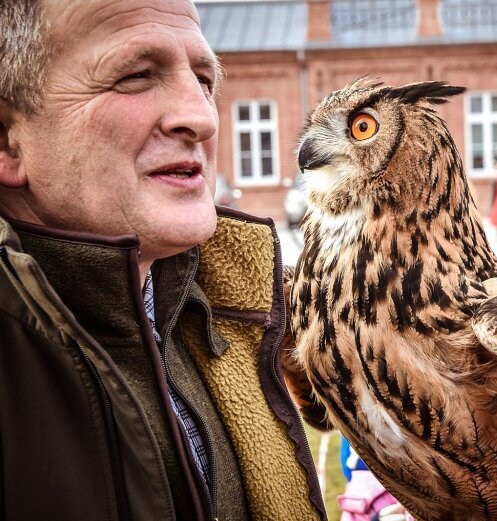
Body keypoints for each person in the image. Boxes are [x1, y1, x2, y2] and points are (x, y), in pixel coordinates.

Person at [0, 1, 324, 520]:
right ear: (7, 141)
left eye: (203, 79)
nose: (201, 116)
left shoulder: (222, 309)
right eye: (135, 76)